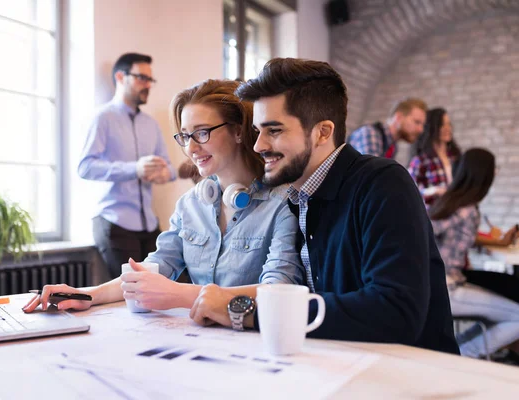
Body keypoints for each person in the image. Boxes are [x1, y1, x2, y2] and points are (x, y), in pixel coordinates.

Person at [189, 58, 459, 354]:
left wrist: (245, 310)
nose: (258, 145)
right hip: (339, 367)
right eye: (258, 131)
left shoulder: (383, 184)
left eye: (274, 131)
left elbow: (396, 312)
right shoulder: (297, 198)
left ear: (323, 132)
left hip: (411, 378)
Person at [23, 79, 304, 314]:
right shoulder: (191, 204)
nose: (191, 148)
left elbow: (278, 290)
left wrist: (180, 294)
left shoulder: (282, 204)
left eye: (202, 133)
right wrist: (88, 294)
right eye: (184, 136)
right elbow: (156, 267)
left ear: (239, 131)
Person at [78, 53, 176, 279]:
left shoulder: (151, 124)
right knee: (129, 293)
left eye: (150, 79)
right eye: (142, 77)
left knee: (160, 286)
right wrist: (134, 169)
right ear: (121, 77)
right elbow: (85, 167)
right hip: (115, 223)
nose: (148, 85)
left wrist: (165, 173)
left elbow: (169, 168)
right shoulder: (102, 118)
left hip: (150, 225)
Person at [429, 148, 519, 359]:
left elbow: (447, 235)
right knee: (516, 314)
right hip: (447, 288)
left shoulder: (453, 203)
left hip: (442, 283)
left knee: (508, 299)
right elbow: (424, 231)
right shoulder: (467, 210)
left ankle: (458, 349)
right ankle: (465, 353)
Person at [408, 108, 462, 208]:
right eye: (442, 125)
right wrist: (434, 191)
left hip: (456, 211)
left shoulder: (456, 157)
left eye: (448, 124)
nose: (448, 128)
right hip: (433, 216)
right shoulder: (421, 161)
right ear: (432, 128)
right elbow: (409, 192)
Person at [348, 98, 427, 159]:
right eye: (417, 122)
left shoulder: (393, 147)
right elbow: (371, 175)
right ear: (398, 117)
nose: (421, 130)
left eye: (422, 125)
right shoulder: (370, 133)